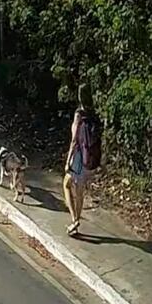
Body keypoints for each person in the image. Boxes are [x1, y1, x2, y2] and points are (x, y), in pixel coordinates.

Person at [64, 84, 93, 236]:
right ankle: (76, 222)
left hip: (78, 158)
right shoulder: (93, 113)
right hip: (89, 159)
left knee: (67, 185)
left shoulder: (79, 114)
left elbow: (74, 140)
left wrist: (68, 159)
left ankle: (74, 219)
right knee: (80, 192)